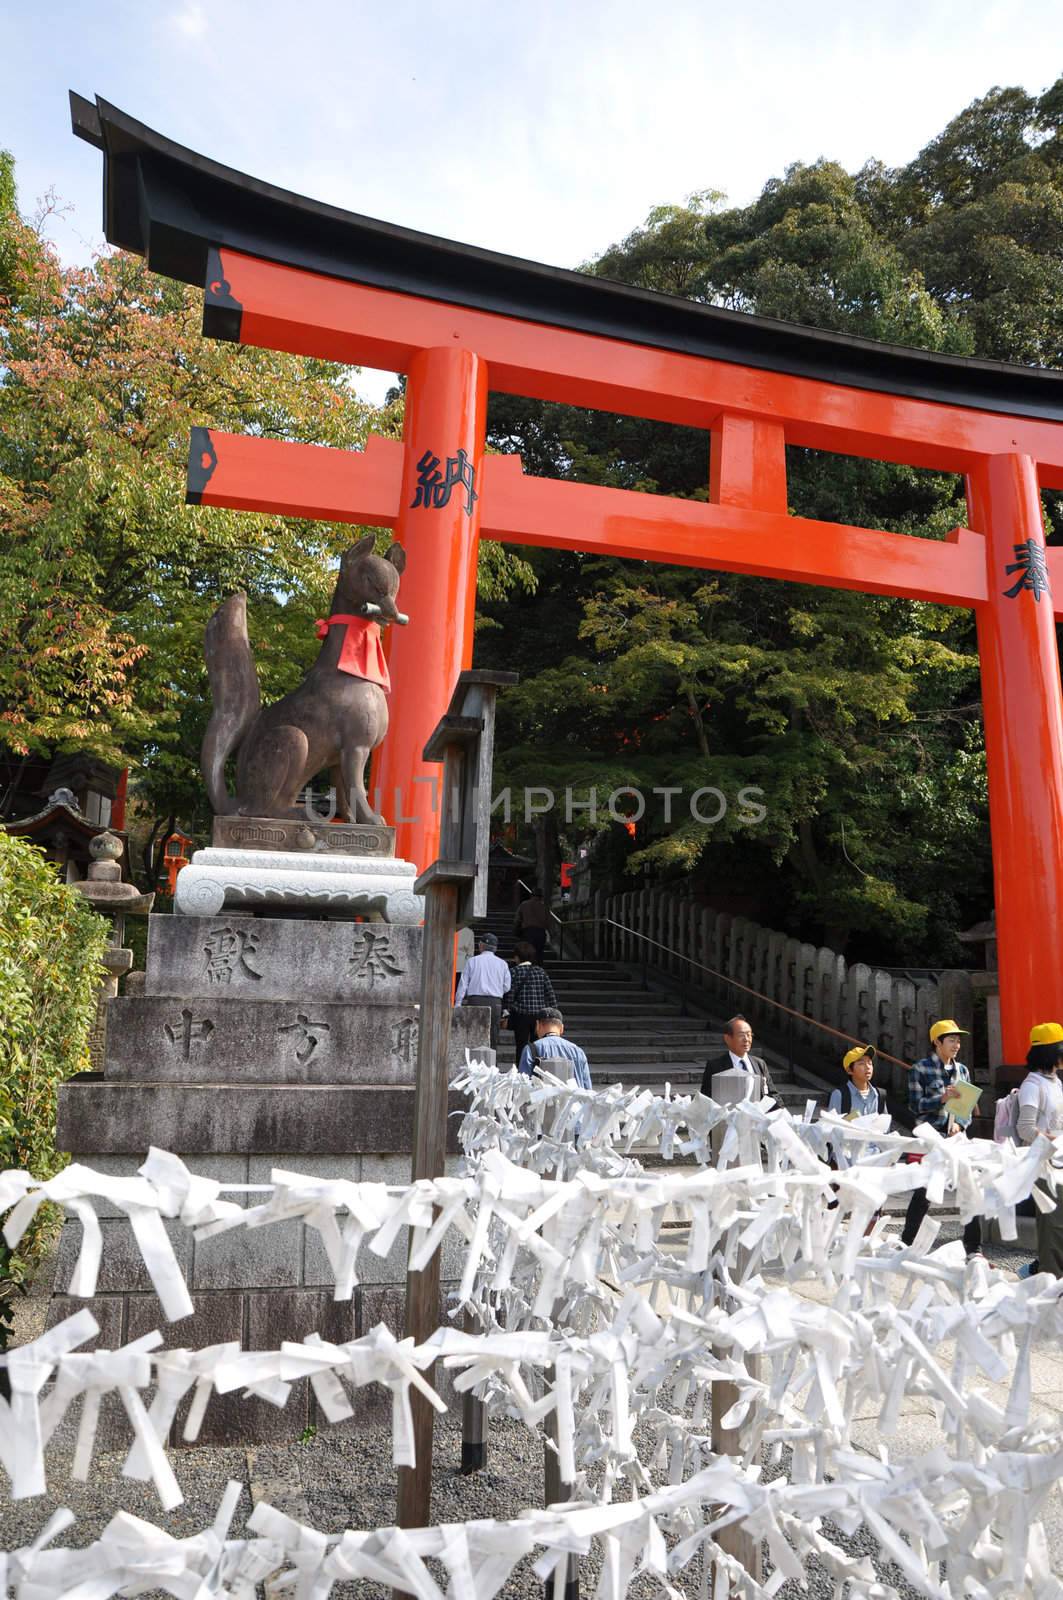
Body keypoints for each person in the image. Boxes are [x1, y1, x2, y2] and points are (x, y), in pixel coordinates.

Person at [901, 1019, 983, 1258]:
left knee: (969, 1188)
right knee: (925, 1190)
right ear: (937, 1042)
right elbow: (915, 1106)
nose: (956, 1044)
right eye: (951, 1040)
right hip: (931, 1139)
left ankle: (974, 1248)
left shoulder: (963, 1070)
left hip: (956, 1138)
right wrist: (941, 1099)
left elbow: (966, 1108)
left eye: (958, 1040)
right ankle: (907, 1242)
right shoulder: (920, 1069)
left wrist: (960, 1123)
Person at [1014, 1023, 1063, 1278]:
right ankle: (1048, 1278)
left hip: (1058, 1164)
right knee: (1052, 1227)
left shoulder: (1055, 1082)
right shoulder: (1032, 1085)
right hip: (1044, 1166)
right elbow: (1025, 1129)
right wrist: (1056, 1139)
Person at [827, 1045, 887, 1171]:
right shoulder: (840, 1095)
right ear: (850, 1070)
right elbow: (830, 1130)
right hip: (846, 1159)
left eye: (870, 1063)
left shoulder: (879, 1095)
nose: (868, 1067)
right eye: (861, 1063)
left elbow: (884, 1129)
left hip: (874, 1158)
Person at [503, 941, 558, 1063]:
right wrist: (554, 1012)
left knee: (521, 1045)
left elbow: (510, 995)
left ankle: (522, 1070)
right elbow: (550, 994)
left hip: (520, 1015)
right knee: (538, 1044)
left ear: (517, 957)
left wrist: (506, 1011)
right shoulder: (540, 971)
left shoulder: (514, 972)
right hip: (539, 1015)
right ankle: (537, 1069)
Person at [455, 932, 510, 1050]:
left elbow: (463, 984)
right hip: (495, 1002)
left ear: (481, 945)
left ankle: (473, 1064)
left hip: (475, 1000)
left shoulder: (472, 961)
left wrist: (458, 1003)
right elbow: (507, 987)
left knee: (474, 1034)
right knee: (493, 1036)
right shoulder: (503, 964)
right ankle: (492, 1064)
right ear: (495, 948)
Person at [700, 1015, 776, 1100]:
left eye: (749, 1034)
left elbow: (772, 1094)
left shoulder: (760, 1064)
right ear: (727, 1038)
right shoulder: (715, 1066)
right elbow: (706, 1099)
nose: (746, 1039)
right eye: (741, 1035)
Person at [518, 1007, 592, 1089]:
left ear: (538, 1025)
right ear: (561, 1028)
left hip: (542, 1101)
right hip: (575, 1101)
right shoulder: (578, 1051)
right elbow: (587, 1088)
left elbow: (522, 1086)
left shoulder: (531, 1049)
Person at [514, 889, 549, 962]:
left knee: (526, 953)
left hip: (528, 931)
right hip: (540, 932)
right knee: (539, 954)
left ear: (531, 895)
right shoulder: (544, 907)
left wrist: (516, 930)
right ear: (541, 897)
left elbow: (517, 919)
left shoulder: (524, 904)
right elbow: (548, 922)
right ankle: (538, 970)